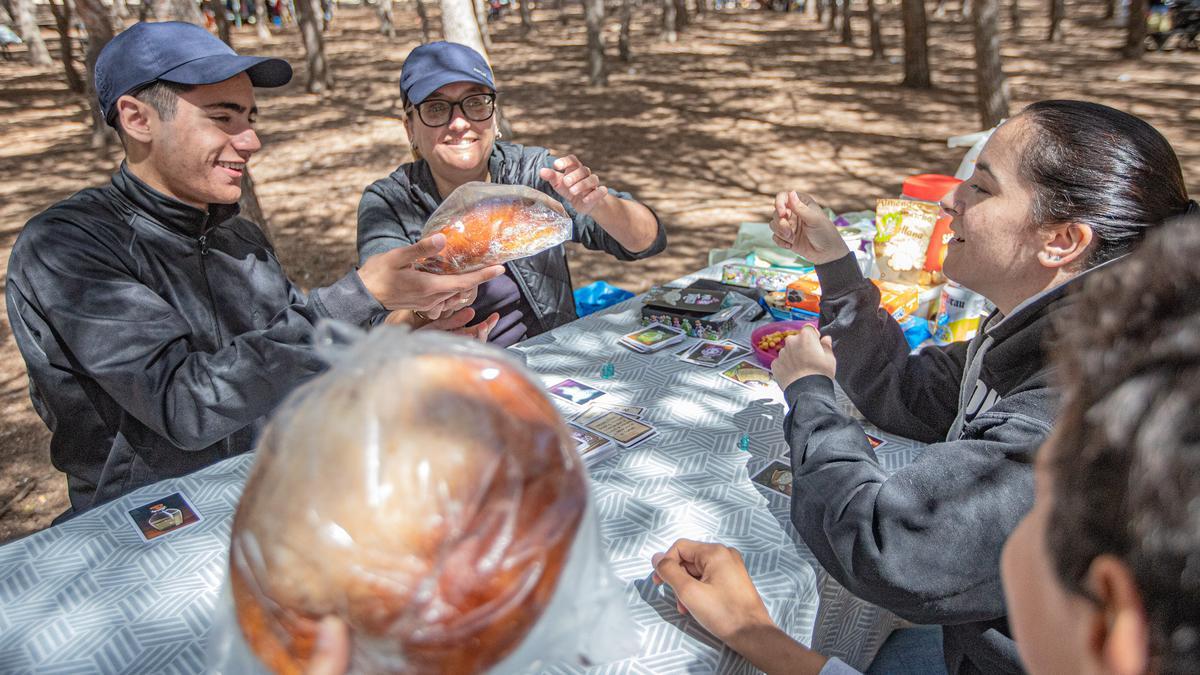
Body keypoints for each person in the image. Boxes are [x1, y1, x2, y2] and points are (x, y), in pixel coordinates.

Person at [650, 209, 1200, 675]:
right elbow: (913, 392)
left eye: (983, 187)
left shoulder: (1062, 403)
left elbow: (896, 548)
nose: (953, 200)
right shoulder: (1048, 353)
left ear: (1111, 622)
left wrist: (757, 636)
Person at [6, 22, 503, 519]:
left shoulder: (238, 237)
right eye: (222, 117)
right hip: (148, 525)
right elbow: (186, 406)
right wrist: (362, 293)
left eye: (249, 117)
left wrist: (409, 331)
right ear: (137, 119)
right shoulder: (68, 246)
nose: (251, 140)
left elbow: (301, 363)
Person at [357, 41, 667, 347]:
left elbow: (645, 242)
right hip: (446, 373)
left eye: (475, 102)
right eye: (436, 108)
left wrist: (599, 204)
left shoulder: (531, 173)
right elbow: (379, 318)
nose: (460, 123)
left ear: (493, 117)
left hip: (550, 357)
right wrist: (426, 310)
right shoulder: (389, 202)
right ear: (410, 127)